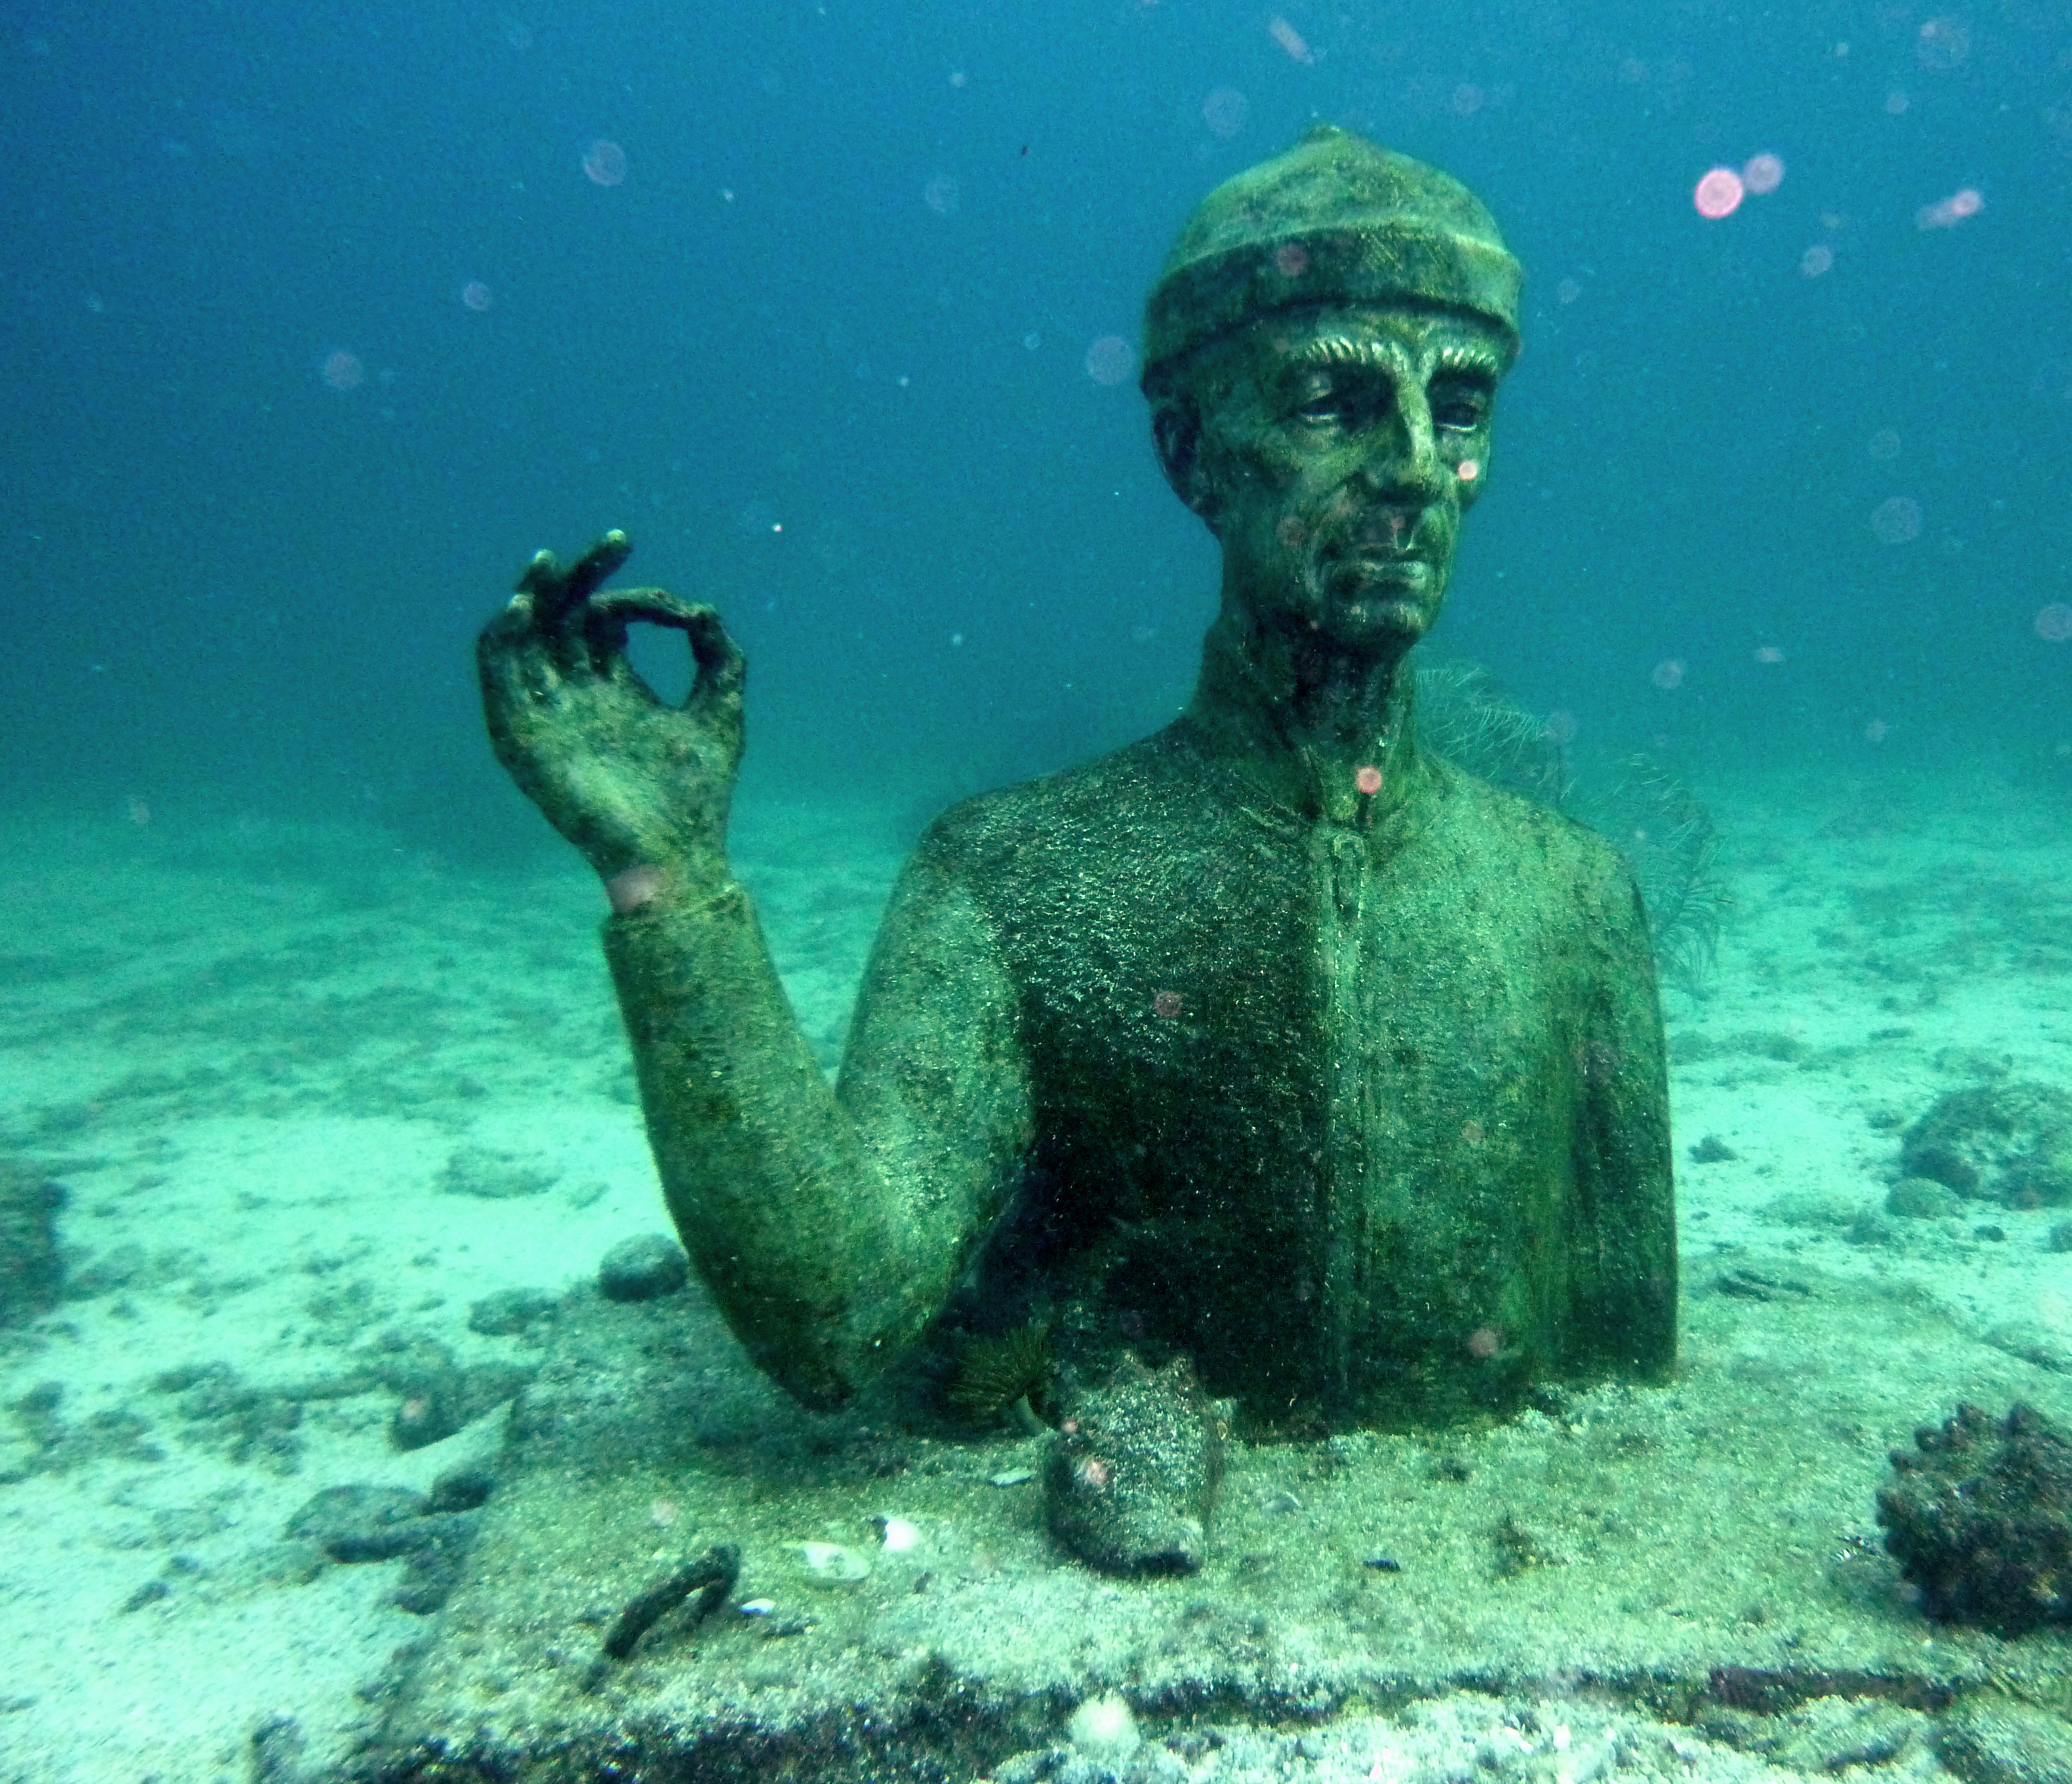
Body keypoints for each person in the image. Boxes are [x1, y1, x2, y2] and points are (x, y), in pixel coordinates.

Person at [478, 126, 1675, 1434]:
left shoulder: (1571, 898)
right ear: (1190, 454)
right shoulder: (1015, 883)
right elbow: (834, 1316)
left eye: (1459, 406)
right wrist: (666, 880)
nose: (1411, 468)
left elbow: (1625, 1356)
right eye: (1331, 404)